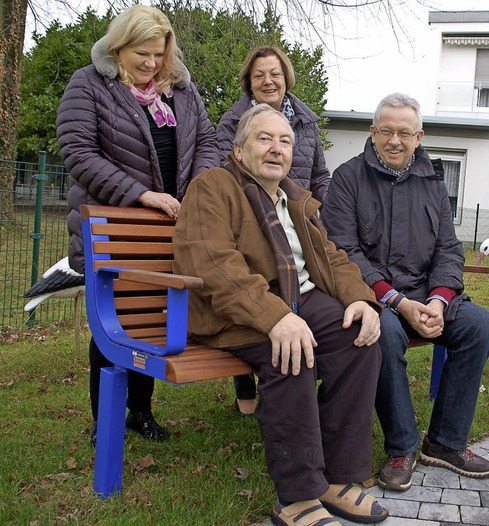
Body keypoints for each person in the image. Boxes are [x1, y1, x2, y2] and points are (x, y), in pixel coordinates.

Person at [173, 104, 387, 526]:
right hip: (232, 311)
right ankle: (297, 495)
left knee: (358, 339)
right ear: (238, 149)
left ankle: (338, 478)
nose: (277, 149)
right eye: (264, 139)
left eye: (285, 141)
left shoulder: (296, 200)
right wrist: (275, 318)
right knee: (289, 352)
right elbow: (215, 265)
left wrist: (361, 299)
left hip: (298, 301)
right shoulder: (213, 187)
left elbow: (334, 258)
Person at [57, 4, 218, 446]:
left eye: (159, 54)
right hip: (115, 223)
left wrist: (195, 191)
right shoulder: (88, 84)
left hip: (171, 222)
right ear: (118, 46)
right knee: (114, 320)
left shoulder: (181, 91)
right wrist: (141, 194)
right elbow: (77, 151)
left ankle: (140, 413)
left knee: (155, 315)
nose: (151, 64)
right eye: (141, 54)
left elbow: (207, 141)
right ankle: (102, 418)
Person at [322, 93, 489, 492]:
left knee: (478, 326)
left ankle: (445, 441)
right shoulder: (348, 178)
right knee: (381, 334)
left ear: (419, 136)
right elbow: (343, 251)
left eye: (404, 132)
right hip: (373, 295)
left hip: (426, 292)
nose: (395, 140)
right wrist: (396, 301)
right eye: (386, 131)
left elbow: (449, 250)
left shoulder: (433, 184)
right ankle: (402, 447)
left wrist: (438, 300)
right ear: (373, 132)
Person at [216, 45, 331, 415]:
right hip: (252, 220)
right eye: (260, 74)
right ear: (249, 82)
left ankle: (292, 392)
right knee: (257, 283)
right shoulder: (234, 122)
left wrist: (320, 210)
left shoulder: (306, 123)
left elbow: (319, 175)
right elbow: (223, 170)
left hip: (296, 218)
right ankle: (250, 385)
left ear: (287, 79)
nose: (269, 80)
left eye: (275, 73)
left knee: (304, 287)